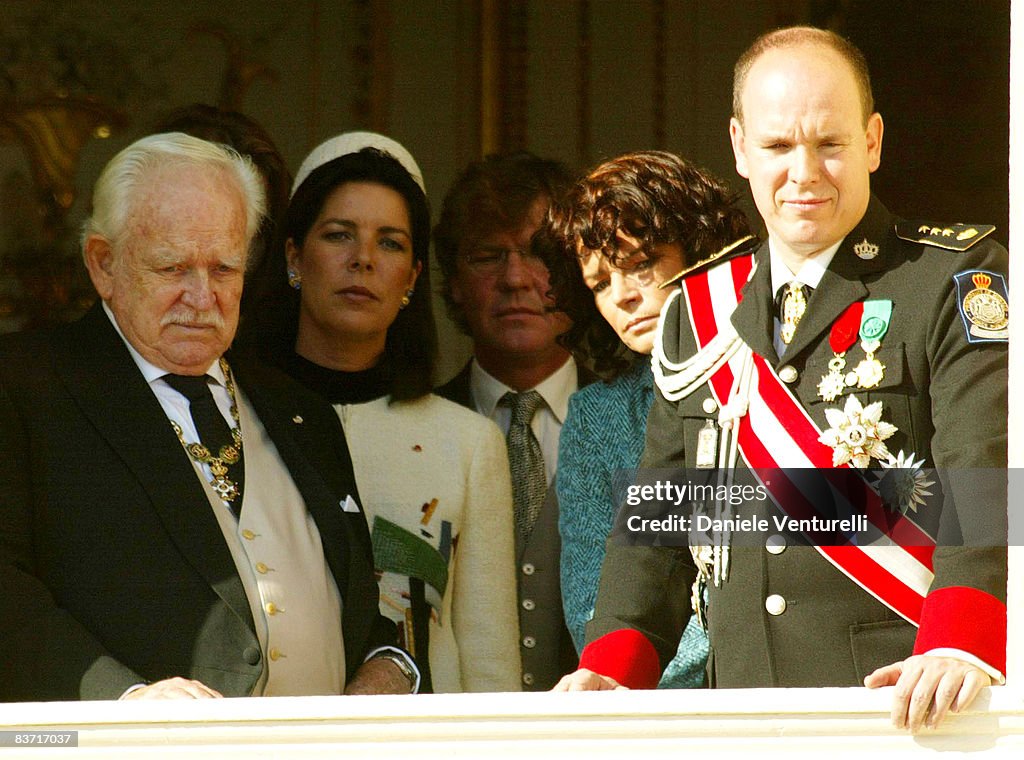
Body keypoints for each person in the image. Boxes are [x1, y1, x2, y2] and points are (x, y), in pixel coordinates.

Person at [555, 26, 1008, 734]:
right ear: (740, 146)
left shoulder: (950, 278)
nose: (804, 172)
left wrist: (959, 640)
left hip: (903, 707)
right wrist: (613, 666)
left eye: (830, 143)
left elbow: (983, 473)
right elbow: (665, 515)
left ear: (873, 141)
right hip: (740, 707)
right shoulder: (699, 310)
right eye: (777, 146)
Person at [0, 132, 417, 700]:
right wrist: (124, 701)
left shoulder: (302, 413)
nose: (202, 298)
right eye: (173, 268)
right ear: (103, 264)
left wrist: (391, 663)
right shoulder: (25, 388)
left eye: (223, 269)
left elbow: (351, 608)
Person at [239, 132, 521, 693]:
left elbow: (490, 664)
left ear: (414, 276)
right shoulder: (232, 415)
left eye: (389, 243)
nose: (362, 259)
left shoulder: (468, 441)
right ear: (294, 257)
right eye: (339, 235)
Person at [543, 150, 756, 688]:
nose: (623, 296)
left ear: (702, 249)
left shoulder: (782, 366)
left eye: (641, 263)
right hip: (662, 709)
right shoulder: (595, 418)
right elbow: (593, 607)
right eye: (598, 283)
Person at [434, 152, 583, 691]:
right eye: (487, 256)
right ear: (452, 281)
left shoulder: (644, 422)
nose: (516, 278)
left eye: (541, 255)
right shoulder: (415, 431)